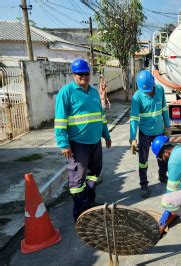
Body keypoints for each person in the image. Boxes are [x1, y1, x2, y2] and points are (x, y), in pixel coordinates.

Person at [54, 58, 112, 221]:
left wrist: (106, 135)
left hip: (95, 142)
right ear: (73, 75)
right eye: (80, 74)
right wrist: (64, 144)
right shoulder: (66, 93)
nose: (83, 77)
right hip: (78, 144)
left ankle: (89, 202)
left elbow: (101, 117)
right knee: (77, 178)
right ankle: (79, 213)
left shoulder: (93, 92)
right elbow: (59, 120)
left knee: (94, 173)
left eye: (86, 73)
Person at [129, 70, 171, 198]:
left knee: (164, 157)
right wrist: (132, 138)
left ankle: (162, 176)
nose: (147, 92)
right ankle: (144, 185)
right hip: (145, 133)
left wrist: (167, 125)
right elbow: (134, 118)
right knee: (143, 160)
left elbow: (164, 109)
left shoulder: (160, 90)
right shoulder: (137, 97)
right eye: (144, 91)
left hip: (159, 132)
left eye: (149, 90)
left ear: (153, 84)